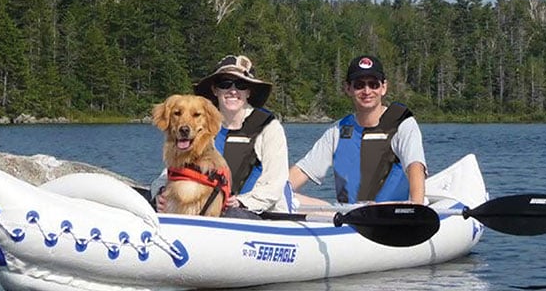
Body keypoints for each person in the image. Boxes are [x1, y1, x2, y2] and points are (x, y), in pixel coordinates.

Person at [154, 55, 293, 217]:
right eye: (225, 84)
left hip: (259, 212)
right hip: (212, 210)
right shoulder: (202, 127)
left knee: (232, 214)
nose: (233, 91)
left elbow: (275, 183)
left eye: (241, 85)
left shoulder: (269, 127)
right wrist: (160, 191)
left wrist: (242, 202)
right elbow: (175, 169)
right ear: (215, 90)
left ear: (249, 91)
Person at [288, 54, 427, 206]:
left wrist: (416, 206)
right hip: (348, 216)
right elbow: (303, 170)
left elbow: (415, 167)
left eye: (373, 84)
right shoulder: (337, 131)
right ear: (348, 88)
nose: (367, 91)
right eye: (359, 85)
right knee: (288, 197)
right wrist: (276, 191)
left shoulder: (402, 124)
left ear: (383, 87)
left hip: (389, 215)